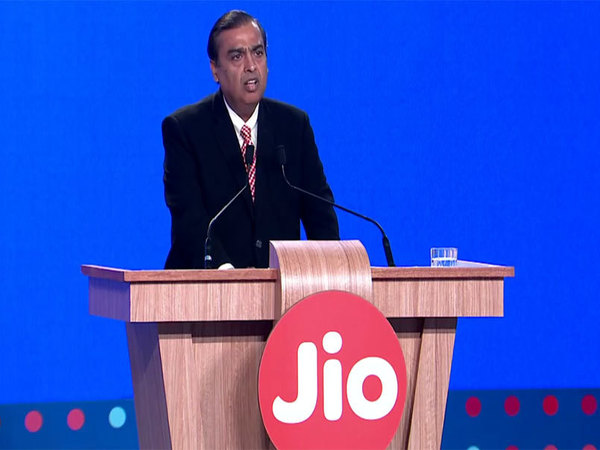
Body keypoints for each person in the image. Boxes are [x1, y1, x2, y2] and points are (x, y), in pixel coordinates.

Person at [162, 10, 339, 269]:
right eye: (237, 56)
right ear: (215, 69)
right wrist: (227, 275)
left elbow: (320, 216)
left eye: (258, 53)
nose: (251, 66)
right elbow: (189, 220)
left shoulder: (294, 126)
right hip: (206, 286)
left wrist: (332, 271)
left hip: (281, 288)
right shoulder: (186, 129)